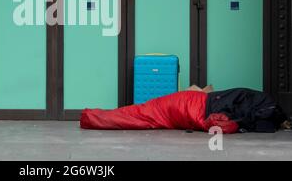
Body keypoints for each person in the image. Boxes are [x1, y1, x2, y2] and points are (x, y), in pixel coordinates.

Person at [80, 86, 291, 133]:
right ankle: (90, 117)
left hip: (193, 101)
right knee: (142, 115)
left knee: (141, 113)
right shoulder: (265, 107)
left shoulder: (260, 100)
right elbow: (219, 123)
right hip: (192, 108)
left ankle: (92, 116)